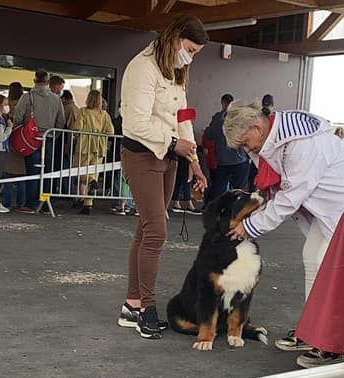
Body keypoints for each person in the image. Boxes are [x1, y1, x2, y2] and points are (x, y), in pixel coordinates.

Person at [223, 105, 344, 366]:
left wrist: (249, 226)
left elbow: (289, 198)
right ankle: (315, 331)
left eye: (246, 144)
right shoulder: (282, 138)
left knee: (331, 267)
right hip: (339, 208)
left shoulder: (300, 144)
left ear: (257, 128)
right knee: (313, 257)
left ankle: (332, 341)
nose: (247, 151)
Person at [117, 15, 208, 339]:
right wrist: (173, 143)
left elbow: (184, 116)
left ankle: (131, 303)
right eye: (190, 49)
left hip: (169, 157)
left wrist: (194, 160)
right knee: (156, 230)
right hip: (141, 154)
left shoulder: (177, 71)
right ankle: (147, 309)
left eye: (196, 52)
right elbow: (135, 122)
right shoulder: (142, 68)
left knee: (146, 229)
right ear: (175, 37)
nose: (191, 56)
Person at [13, 70, 65, 213]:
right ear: (48, 82)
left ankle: (31, 204)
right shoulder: (56, 99)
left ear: (34, 80)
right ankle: (45, 203)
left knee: (33, 172)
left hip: (31, 140)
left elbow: (17, 117)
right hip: (49, 139)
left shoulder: (27, 97)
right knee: (48, 172)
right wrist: (54, 135)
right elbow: (61, 121)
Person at [73, 89, 114, 215]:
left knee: (80, 170)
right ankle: (88, 204)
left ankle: (90, 182)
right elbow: (111, 131)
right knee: (94, 172)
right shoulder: (104, 115)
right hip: (99, 147)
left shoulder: (83, 112)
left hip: (85, 145)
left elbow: (77, 128)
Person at [205, 93, 249, 203]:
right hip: (239, 159)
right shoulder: (240, 118)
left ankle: (215, 212)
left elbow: (208, 135)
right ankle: (235, 212)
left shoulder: (217, 118)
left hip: (222, 160)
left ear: (222, 103)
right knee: (238, 189)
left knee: (219, 188)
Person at [2, 82, 27, 210]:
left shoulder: (8, 106)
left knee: (8, 174)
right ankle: (21, 202)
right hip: (22, 142)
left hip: (10, 141)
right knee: (21, 174)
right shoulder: (24, 104)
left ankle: (6, 202)